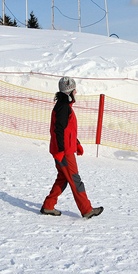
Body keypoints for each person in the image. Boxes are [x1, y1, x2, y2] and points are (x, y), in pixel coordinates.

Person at [40, 76, 104, 219]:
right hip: (64, 152)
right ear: (69, 91)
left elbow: (68, 130)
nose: (76, 92)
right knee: (75, 179)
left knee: (63, 178)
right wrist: (62, 150)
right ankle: (87, 210)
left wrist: (76, 143)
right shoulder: (63, 107)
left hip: (64, 149)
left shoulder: (64, 105)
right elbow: (59, 130)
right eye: (74, 89)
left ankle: (48, 206)